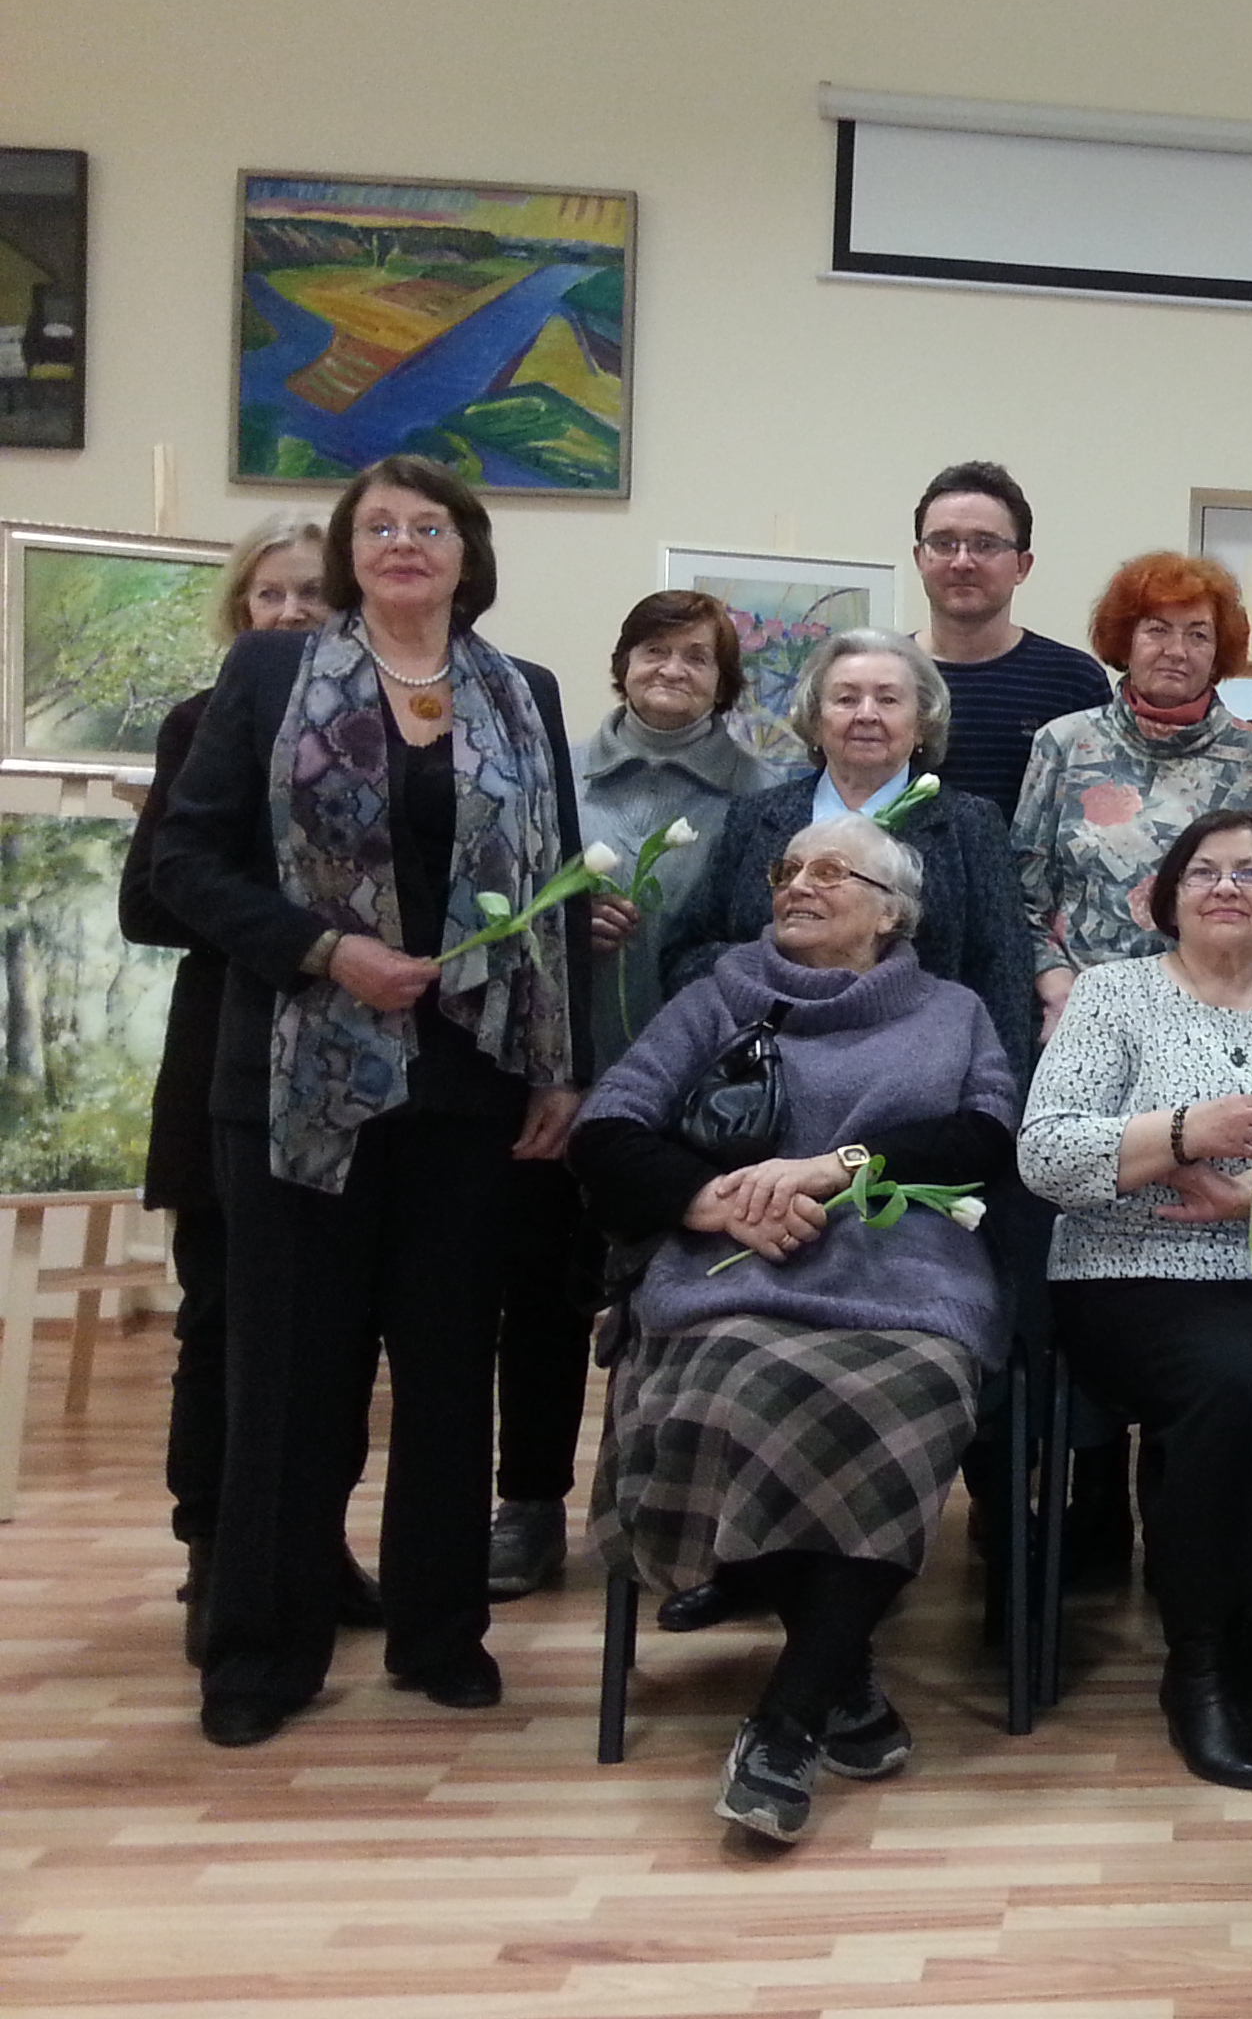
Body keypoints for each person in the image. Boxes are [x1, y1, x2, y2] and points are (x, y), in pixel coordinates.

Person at [152, 456, 591, 1747]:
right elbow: (183, 859)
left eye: (430, 525)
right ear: (351, 551)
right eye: (380, 525)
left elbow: (555, 886)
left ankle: (440, 1633)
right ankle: (261, 1651)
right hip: (299, 1079)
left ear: (468, 552)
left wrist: (559, 1064)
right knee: (288, 1375)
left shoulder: (523, 691)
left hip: (470, 1084)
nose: (405, 542)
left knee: (450, 1372)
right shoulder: (269, 673)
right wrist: (323, 950)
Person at [569, 815, 1021, 1844]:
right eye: (789, 868)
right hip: (728, 1272)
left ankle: (787, 1721)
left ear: (891, 912)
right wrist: (712, 1203)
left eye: (831, 871)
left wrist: (838, 1167)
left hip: (905, 1276)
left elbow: (985, 1136)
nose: (798, 885)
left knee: (907, 1391)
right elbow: (608, 1128)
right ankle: (836, 1673)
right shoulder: (717, 996)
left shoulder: (951, 1012)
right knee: (727, 1386)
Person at [1018, 810, 1252, 1791]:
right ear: (1169, 896)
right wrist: (1187, 1131)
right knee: (1237, 1385)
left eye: (1251, 874)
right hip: (1132, 1271)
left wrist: (1249, 1195)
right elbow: (1048, 1151)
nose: (1228, 888)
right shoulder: (1113, 993)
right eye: (1206, 872)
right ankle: (1206, 1668)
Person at [487, 590, 781, 1603]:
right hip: (562, 1077)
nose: (672, 671)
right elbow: (496, 912)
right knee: (539, 1301)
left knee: (691, 1308)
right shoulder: (549, 773)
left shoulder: (765, 793)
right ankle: (528, 1505)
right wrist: (564, 923)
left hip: (703, 1100)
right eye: (653, 652)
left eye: (696, 657)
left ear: (724, 682)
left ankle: (692, 1520)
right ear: (621, 664)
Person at [118, 510, 351, 1658]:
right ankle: (214, 1549)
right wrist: (306, 933)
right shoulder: (200, 723)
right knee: (221, 1321)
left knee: (335, 1331)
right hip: (229, 1057)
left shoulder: (385, 726)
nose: (293, 612)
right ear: (242, 610)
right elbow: (149, 902)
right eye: (272, 595)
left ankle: (313, 1548)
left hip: (350, 1068)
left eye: (314, 594)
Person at [661, 628, 1037, 1076]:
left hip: (919, 1078)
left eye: (888, 699)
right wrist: (760, 976)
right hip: (761, 1074)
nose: (866, 714)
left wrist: (996, 1102)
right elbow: (686, 955)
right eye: (846, 699)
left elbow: (1004, 978)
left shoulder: (969, 825)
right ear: (815, 721)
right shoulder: (755, 817)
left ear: (922, 723)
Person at [1018, 550, 1252, 1043]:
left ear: (1219, 651)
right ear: (1125, 639)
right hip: (1083, 1013)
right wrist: (1056, 986)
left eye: (1198, 635)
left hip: (1218, 1022)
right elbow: (1021, 893)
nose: (1177, 650)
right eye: (1157, 630)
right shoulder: (1063, 745)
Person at [908, 459, 1111, 816]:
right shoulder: (882, 677)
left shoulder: (1074, 682)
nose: (962, 562)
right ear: (919, 559)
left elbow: (1093, 816)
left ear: (1022, 566)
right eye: (943, 543)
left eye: (985, 544)